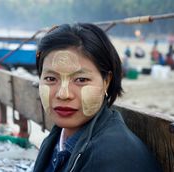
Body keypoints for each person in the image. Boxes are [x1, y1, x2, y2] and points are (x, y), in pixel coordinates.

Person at [33, 23, 162, 172]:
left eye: (81, 80)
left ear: (106, 81)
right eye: (50, 78)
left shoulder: (113, 157)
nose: (63, 94)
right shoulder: (58, 137)